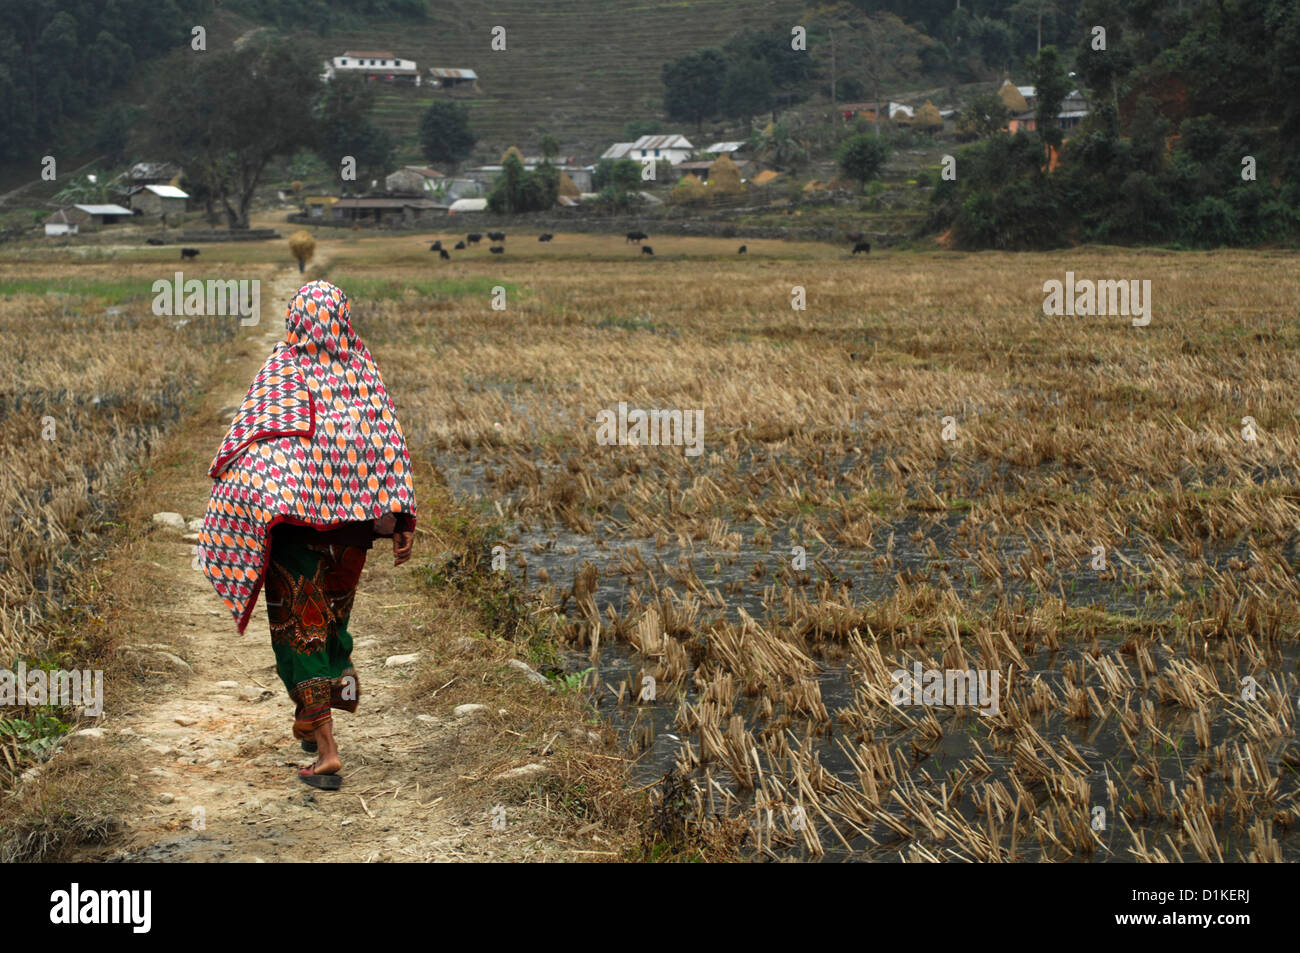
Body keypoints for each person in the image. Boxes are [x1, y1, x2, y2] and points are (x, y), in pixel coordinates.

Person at [198, 280, 416, 790]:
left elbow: (249, 443)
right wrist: (402, 519)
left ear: (296, 320)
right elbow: (387, 449)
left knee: (302, 635)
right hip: (351, 535)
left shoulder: (283, 370)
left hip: (294, 533)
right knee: (331, 625)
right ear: (342, 317)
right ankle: (311, 717)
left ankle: (327, 752)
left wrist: (248, 505)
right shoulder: (363, 370)